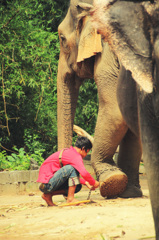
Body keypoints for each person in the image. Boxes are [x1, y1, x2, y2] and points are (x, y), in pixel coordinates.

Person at [37, 136, 100, 206]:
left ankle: (48, 195)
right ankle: (70, 199)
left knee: (77, 186)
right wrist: (94, 183)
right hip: (46, 184)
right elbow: (84, 173)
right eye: (87, 152)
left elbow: (71, 176)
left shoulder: (70, 152)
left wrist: (85, 182)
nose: (85, 155)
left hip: (46, 183)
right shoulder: (75, 156)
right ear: (83, 149)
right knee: (71, 168)